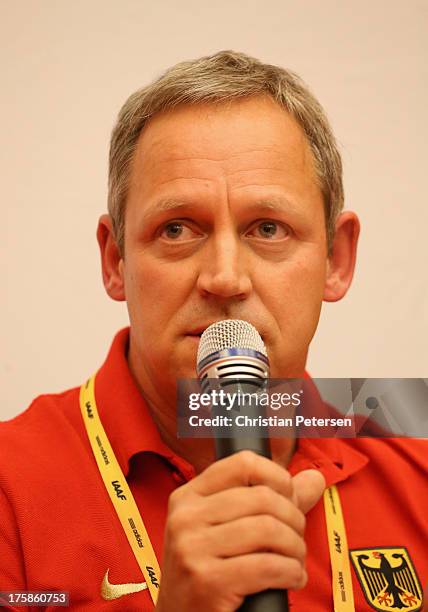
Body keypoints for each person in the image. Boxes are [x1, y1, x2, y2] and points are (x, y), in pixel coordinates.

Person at [0, 50, 426, 612]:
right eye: (177, 228)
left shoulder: (417, 474)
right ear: (115, 261)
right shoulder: (11, 486)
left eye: (268, 228)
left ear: (337, 259)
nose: (224, 278)